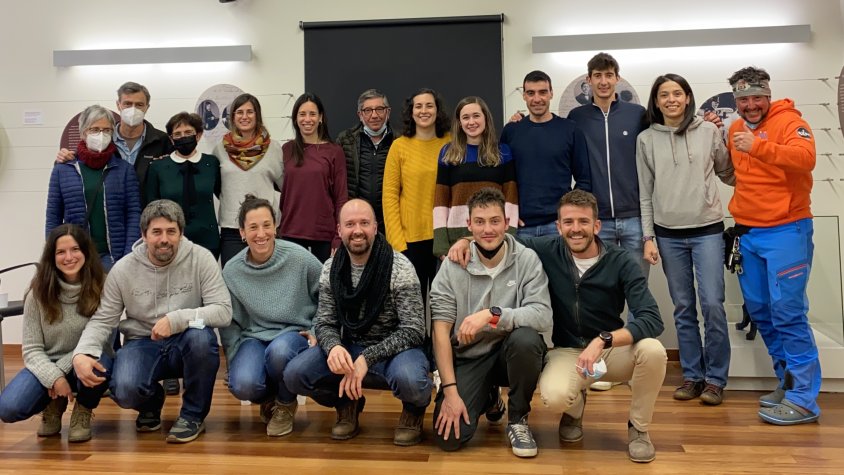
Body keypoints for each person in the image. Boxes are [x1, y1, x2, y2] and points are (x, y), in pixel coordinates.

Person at [447, 189, 666, 463]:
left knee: (654, 351)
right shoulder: (546, 249)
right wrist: (466, 240)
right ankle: (574, 411)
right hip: (568, 351)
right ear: (558, 226)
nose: (576, 229)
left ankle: (639, 429)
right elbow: (500, 237)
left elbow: (651, 318)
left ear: (596, 226)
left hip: (610, 350)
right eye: (569, 222)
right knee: (554, 396)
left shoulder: (621, 261)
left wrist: (604, 340)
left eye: (584, 222)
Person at [709, 66, 820, 425]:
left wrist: (760, 147)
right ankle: (787, 383)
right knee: (762, 312)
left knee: (789, 313)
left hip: (787, 230)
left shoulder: (790, 121)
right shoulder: (736, 128)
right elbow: (738, 177)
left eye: (757, 97)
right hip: (749, 234)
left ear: (768, 96)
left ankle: (805, 399)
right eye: (744, 99)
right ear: (736, 101)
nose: (751, 104)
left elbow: (806, 160)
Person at [72, 199, 232, 444]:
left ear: (181, 233)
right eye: (156, 232)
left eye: (171, 231)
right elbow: (103, 320)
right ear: (144, 235)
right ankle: (151, 403)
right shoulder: (123, 270)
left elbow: (222, 311)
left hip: (187, 336)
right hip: (141, 341)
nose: (164, 239)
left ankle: (192, 416)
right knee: (124, 390)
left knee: (203, 338)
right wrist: (82, 353)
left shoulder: (201, 258)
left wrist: (178, 319)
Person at [284, 199, 432, 446]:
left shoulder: (400, 267)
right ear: (339, 230)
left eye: (364, 223)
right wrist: (333, 347)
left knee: (411, 381)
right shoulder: (331, 268)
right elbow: (324, 322)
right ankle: (346, 402)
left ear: (375, 227)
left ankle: (413, 410)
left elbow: (414, 329)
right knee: (295, 375)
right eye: (350, 224)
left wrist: (368, 357)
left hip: (397, 351)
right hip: (350, 346)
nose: (358, 230)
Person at [430, 188, 552, 457]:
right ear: (469, 225)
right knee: (449, 438)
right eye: (480, 222)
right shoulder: (451, 266)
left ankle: (518, 419)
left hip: (510, 353)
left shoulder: (527, 259)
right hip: (470, 357)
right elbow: (440, 333)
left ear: (506, 223)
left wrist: (492, 314)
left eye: (495, 221)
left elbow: (542, 315)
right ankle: (489, 396)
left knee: (527, 339)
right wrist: (450, 392)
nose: (488, 229)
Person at [637, 73, 735, 405]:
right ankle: (693, 376)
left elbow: (727, 170)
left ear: (688, 97)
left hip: (707, 230)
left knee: (711, 304)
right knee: (683, 307)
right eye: (664, 95)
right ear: (656, 101)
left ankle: (716, 379)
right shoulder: (646, 139)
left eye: (677, 93)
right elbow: (645, 194)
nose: (671, 100)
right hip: (668, 236)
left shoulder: (708, 131)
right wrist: (648, 236)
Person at [221, 194, 322, 437]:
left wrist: (317, 329)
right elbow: (230, 321)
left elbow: (328, 295)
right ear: (242, 232)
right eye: (253, 227)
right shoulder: (232, 270)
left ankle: (286, 404)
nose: (261, 233)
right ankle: (270, 399)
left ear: (276, 227)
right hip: (254, 337)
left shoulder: (299, 258)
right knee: (242, 383)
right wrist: (233, 356)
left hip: (293, 333)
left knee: (279, 352)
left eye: (267, 225)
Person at [0, 224, 112, 443]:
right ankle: (55, 403)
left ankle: (83, 408)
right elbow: (32, 349)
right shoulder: (37, 293)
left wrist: (58, 373)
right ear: (51, 257)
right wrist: (53, 376)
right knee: (8, 408)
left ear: (86, 252)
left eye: (75, 249)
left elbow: (102, 338)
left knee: (99, 363)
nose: (68, 257)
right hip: (48, 362)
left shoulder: (103, 286)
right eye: (61, 252)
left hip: (90, 355)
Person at [568, 53, 650, 283]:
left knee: (637, 286)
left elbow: (668, 129)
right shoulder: (576, 117)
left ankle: (637, 322)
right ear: (589, 80)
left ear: (617, 78)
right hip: (597, 219)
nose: (603, 81)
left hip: (634, 217)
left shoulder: (637, 114)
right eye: (598, 76)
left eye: (609, 75)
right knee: (602, 289)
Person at [46, 104, 142, 272]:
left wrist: (129, 255)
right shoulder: (62, 170)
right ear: (83, 133)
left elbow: (134, 213)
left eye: (106, 130)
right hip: (76, 256)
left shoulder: (124, 169)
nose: (101, 134)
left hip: (114, 257)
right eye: (95, 129)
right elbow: (53, 216)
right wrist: (54, 253)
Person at [501, 70, 591, 238]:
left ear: (551, 93)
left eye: (542, 92)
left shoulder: (570, 130)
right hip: (520, 227)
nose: (537, 99)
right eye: (530, 93)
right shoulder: (511, 131)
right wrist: (508, 212)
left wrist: (569, 214)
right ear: (524, 96)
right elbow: (501, 178)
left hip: (557, 225)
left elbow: (584, 180)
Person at [382, 88, 452, 303]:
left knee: (446, 304)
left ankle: (442, 339)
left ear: (437, 110)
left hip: (445, 237)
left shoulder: (451, 144)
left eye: (429, 105)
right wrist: (397, 243)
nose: (424, 111)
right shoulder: (399, 147)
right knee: (413, 306)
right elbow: (390, 196)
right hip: (410, 241)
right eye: (418, 106)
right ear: (411, 112)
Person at [433, 96, 518, 257]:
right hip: (455, 240)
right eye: (465, 117)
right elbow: (440, 203)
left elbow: (511, 200)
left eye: (476, 116)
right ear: (459, 122)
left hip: (493, 237)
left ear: (486, 117)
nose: (471, 122)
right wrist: (441, 247)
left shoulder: (503, 152)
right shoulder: (448, 153)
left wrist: (509, 236)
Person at [56, 82, 171, 194]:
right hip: (112, 208)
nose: (133, 109)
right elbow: (81, 161)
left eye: (139, 105)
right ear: (118, 105)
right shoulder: (102, 138)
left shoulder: (161, 140)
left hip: (149, 210)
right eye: (127, 103)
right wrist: (63, 158)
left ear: (147, 107)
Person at [215, 93, 284, 267]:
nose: (244, 116)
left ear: (257, 115)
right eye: (239, 112)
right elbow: (217, 186)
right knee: (233, 280)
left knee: (267, 278)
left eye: (250, 112)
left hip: (265, 228)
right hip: (232, 229)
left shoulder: (274, 148)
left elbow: (284, 185)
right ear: (232, 117)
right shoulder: (220, 149)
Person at [279, 93, 349, 262]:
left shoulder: (334, 151)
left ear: (321, 118)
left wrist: (338, 237)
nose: (307, 119)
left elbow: (341, 197)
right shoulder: (286, 150)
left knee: (323, 287)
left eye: (312, 114)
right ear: (295, 119)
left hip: (323, 235)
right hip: (290, 233)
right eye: (302, 114)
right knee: (295, 287)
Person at [145, 112, 222, 258]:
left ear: (198, 135)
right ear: (171, 139)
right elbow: (151, 206)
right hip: (171, 239)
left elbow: (222, 193)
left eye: (188, 132)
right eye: (178, 134)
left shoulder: (211, 163)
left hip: (207, 238)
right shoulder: (158, 167)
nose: (183, 137)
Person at [337, 89, 395, 234]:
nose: (374, 115)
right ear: (360, 115)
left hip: (390, 222)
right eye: (368, 110)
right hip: (357, 222)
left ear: (388, 112)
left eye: (379, 109)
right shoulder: (345, 141)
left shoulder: (399, 141)